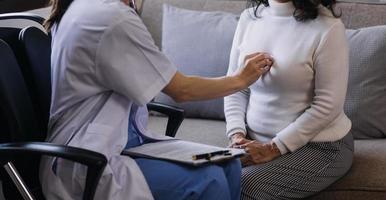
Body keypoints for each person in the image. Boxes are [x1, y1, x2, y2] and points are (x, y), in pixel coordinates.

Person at [39, 0, 274, 199]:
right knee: (208, 181)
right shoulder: (109, 17)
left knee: (227, 161)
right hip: (89, 161)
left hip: (118, 142)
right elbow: (182, 90)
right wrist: (241, 80)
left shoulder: (90, 8)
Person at [224, 0, 354, 199]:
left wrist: (273, 148)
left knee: (243, 187)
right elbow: (235, 87)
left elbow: (328, 106)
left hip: (320, 146)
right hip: (252, 141)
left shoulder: (329, 28)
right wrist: (237, 136)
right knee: (208, 178)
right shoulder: (249, 18)